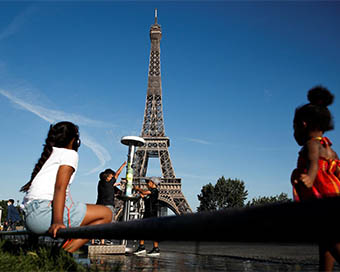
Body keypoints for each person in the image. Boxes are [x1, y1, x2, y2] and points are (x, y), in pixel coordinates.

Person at [20, 121, 112, 253]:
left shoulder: (50, 155)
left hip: (30, 216)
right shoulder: (70, 154)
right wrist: (57, 222)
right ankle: (61, 255)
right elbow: (60, 188)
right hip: (44, 213)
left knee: (84, 209)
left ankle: (57, 252)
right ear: (75, 141)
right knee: (106, 214)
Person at [291, 86, 340, 271]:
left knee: (332, 243)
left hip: (322, 199)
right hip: (334, 197)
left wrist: (309, 179)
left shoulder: (311, 144)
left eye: (293, 127)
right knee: (327, 246)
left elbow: (313, 165)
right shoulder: (330, 149)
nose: (293, 132)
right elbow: (337, 171)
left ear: (303, 124)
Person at [93, 163, 126, 245]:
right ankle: (108, 239)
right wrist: (123, 165)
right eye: (111, 176)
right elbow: (118, 173)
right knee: (109, 223)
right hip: (108, 205)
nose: (112, 177)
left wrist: (115, 184)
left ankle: (97, 239)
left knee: (99, 222)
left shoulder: (100, 183)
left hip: (99, 205)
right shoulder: (110, 182)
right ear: (108, 176)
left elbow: (109, 186)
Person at [133, 176, 161, 256]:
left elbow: (145, 192)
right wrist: (142, 197)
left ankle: (155, 248)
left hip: (152, 214)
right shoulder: (151, 192)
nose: (147, 183)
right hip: (148, 213)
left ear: (153, 183)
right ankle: (142, 247)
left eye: (148, 182)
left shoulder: (155, 191)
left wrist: (138, 189)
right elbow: (147, 200)